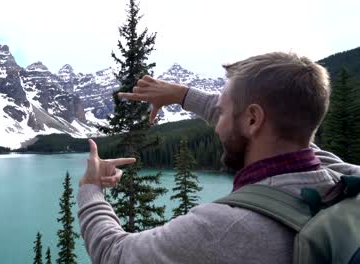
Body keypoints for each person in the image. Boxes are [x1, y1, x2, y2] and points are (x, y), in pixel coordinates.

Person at [77, 52, 360, 263]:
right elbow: (251, 118)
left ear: (252, 119)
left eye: (223, 112)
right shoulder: (346, 180)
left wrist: (91, 189)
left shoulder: (225, 230)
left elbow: (114, 253)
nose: (217, 122)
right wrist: (182, 95)